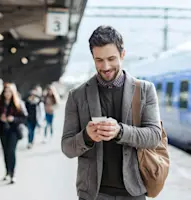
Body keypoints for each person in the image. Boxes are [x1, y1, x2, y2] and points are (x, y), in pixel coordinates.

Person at [61, 25, 162, 200]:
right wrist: (86, 136)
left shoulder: (145, 90)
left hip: (134, 192)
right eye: (99, 60)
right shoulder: (76, 96)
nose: (105, 66)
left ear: (123, 54)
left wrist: (120, 131)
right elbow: (67, 148)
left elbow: (154, 136)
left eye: (111, 58)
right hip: (93, 193)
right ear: (93, 57)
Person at [0, 83, 28, 184]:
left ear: (13, 93)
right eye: (5, 91)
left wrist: (13, 119)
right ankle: (7, 171)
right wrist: (0, 118)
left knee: (11, 151)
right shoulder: (0, 104)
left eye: (9, 92)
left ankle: (12, 173)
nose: (7, 94)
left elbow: (24, 117)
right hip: (3, 130)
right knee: (5, 152)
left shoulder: (18, 103)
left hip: (14, 131)